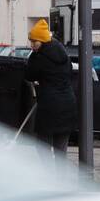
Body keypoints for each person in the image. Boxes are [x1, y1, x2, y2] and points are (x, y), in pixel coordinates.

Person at [23, 19, 76, 162]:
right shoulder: (62, 52)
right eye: (31, 42)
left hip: (49, 106)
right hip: (68, 104)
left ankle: (48, 179)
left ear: (43, 41)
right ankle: (59, 181)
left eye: (35, 42)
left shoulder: (38, 57)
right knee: (61, 152)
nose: (32, 46)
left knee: (42, 146)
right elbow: (69, 72)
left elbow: (29, 75)